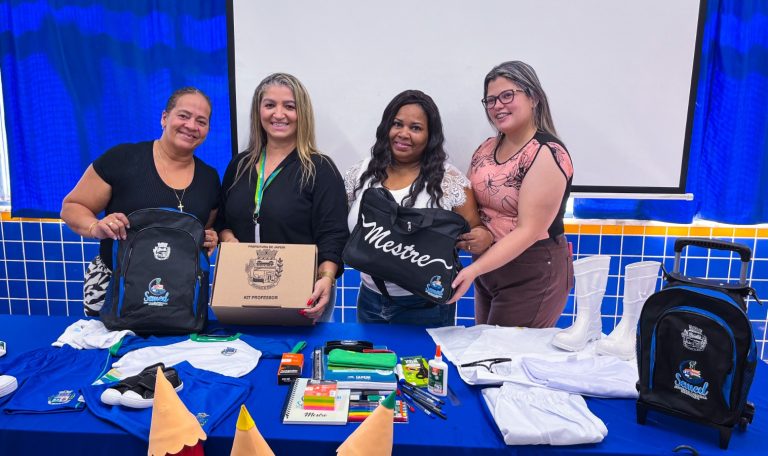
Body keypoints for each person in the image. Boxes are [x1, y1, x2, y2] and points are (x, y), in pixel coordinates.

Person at [61, 87, 222, 316]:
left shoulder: (209, 178)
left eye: (201, 121)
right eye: (183, 116)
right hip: (113, 288)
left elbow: (203, 229)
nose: (191, 125)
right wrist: (95, 226)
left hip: (178, 293)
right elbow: (72, 206)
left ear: (207, 130)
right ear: (164, 118)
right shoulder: (122, 159)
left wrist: (209, 237)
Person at [449, 61, 575, 328]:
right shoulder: (486, 148)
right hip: (488, 269)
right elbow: (469, 203)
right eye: (490, 100)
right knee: (484, 349)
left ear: (534, 98)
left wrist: (473, 270)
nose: (497, 105)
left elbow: (528, 231)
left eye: (507, 96)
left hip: (531, 271)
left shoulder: (546, 153)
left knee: (504, 353)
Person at [216, 73, 348, 323]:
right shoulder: (239, 165)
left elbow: (333, 234)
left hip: (303, 294)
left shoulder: (320, 168)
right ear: (258, 111)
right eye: (270, 105)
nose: (279, 114)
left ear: (303, 113)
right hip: (242, 292)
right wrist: (229, 239)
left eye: (289, 106)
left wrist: (327, 278)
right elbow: (222, 220)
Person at [345, 90, 482, 327]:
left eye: (416, 128)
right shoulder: (361, 173)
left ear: (430, 136)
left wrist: (480, 238)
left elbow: (478, 230)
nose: (403, 133)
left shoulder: (449, 181)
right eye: (397, 124)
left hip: (426, 306)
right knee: (373, 354)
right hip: (369, 300)